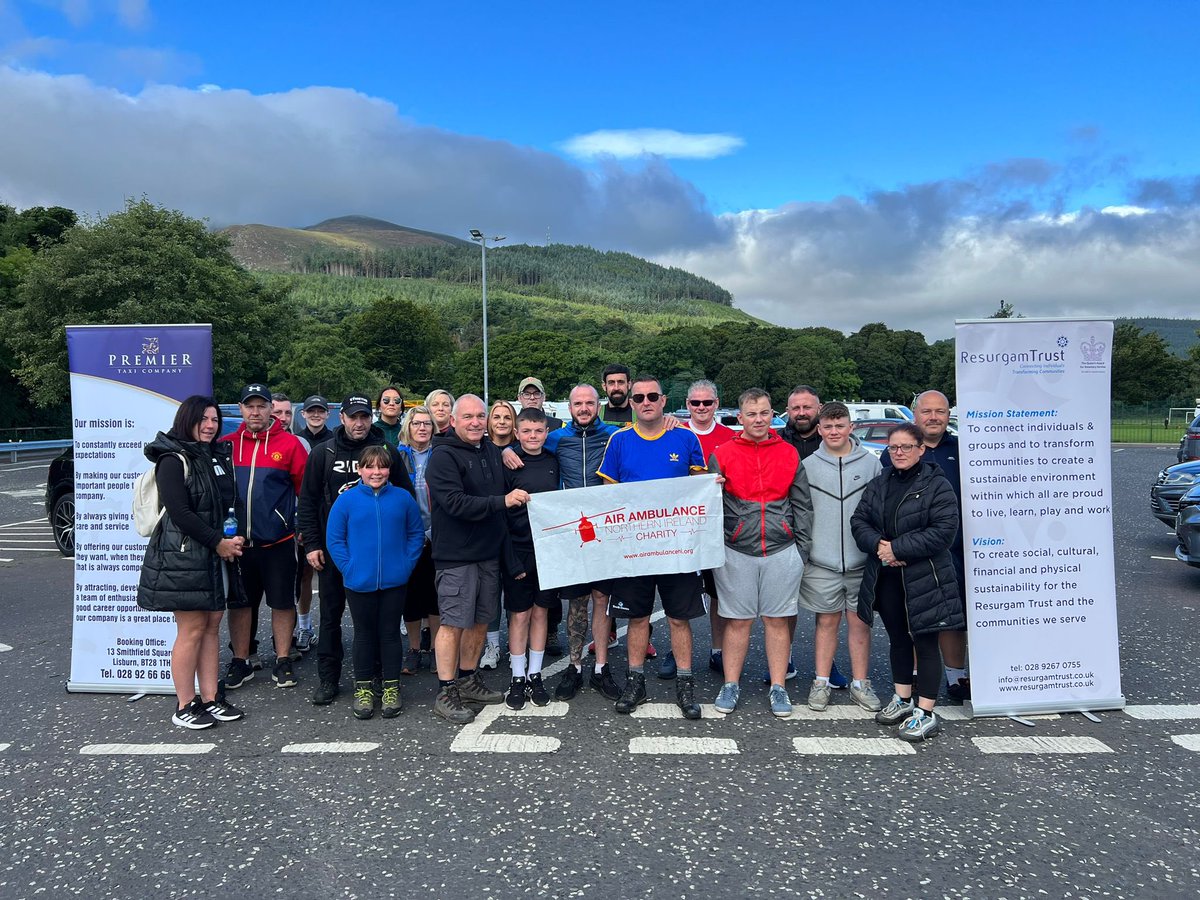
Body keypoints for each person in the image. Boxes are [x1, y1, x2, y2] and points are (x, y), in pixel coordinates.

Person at [597, 375, 708, 718]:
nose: (646, 402)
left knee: (678, 619)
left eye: (652, 396)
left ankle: (685, 687)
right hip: (635, 549)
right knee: (637, 617)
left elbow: (700, 489)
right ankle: (636, 682)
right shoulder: (618, 440)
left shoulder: (685, 437)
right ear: (630, 403)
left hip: (677, 550)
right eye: (639, 397)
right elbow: (607, 497)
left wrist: (712, 484)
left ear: (663, 401)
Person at [298, 393, 416, 705]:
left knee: (378, 622)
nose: (359, 423)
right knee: (331, 617)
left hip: (377, 557)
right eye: (353, 417)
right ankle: (329, 677)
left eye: (364, 416)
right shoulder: (324, 452)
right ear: (343, 418)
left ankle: (379, 676)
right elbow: (307, 502)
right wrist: (311, 543)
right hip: (333, 552)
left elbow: (406, 501)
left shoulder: (386, 450)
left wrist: (403, 557)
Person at [137, 396, 246, 729]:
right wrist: (218, 542)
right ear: (188, 420)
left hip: (215, 553)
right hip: (184, 557)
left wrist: (234, 536)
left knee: (212, 622)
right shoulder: (172, 459)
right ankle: (185, 703)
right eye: (204, 419)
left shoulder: (213, 455)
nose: (211, 425)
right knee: (191, 629)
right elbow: (181, 513)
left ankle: (211, 698)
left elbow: (228, 503)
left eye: (215, 419)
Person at [852, 422, 964, 742]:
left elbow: (944, 530)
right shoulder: (881, 481)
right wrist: (880, 548)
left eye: (906, 447)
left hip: (924, 577)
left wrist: (898, 548)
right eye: (893, 448)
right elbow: (860, 520)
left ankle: (926, 712)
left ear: (921, 449)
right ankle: (902, 699)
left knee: (925, 642)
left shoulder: (937, 485)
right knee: (899, 639)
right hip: (887, 577)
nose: (899, 453)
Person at [708, 388, 811, 718]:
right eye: (751, 414)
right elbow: (711, 506)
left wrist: (802, 551)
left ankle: (778, 686)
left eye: (764, 413)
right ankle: (731, 683)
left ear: (772, 415)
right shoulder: (722, 453)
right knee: (736, 622)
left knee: (777, 621)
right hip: (736, 549)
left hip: (782, 549)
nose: (758, 419)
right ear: (740, 417)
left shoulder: (789, 453)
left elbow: (802, 505)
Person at [427, 393, 528, 724]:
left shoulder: (490, 450)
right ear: (453, 420)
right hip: (456, 556)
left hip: (488, 553)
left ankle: (468, 679)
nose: (474, 422)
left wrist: (509, 452)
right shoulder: (442, 457)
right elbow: (456, 503)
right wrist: (502, 501)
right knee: (454, 622)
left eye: (479, 416)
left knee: (481, 620)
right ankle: (447, 689)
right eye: (467, 416)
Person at [326, 445, 425, 719]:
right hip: (358, 581)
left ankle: (392, 687)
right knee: (364, 634)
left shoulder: (403, 498)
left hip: (395, 580)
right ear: (360, 470)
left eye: (381, 467)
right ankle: (364, 687)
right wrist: (349, 567)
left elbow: (416, 534)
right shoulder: (346, 500)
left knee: (391, 633)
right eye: (370, 467)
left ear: (389, 469)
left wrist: (406, 565)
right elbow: (335, 539)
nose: (376, 472)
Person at [881, 389, 969, 700]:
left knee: (952, 614)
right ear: (915, 415)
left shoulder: (964, 450)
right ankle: (917, 677)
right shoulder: (895, 453)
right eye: (926, 411)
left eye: (940, 411)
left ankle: (957, 676)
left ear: (948, 416)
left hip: (954, 548)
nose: (933, 417)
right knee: (916, 615)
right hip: (910, 551)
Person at [221, 383, 308, 692]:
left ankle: (283, 660)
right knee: (241, 603)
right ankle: (241, 660)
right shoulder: (226, 444)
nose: (255, 411)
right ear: (240, 409)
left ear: (272, 408)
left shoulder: (290, 445)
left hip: (278, 542)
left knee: (283, 602)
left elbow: (304, 491)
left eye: (261, 405)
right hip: (238, 544)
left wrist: (299, 527)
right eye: (249, 406)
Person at [542, 384, 623, 701]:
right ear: (570, 407)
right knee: (576, 603)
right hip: (573, 531)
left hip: (606, 529)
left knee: (602, 599)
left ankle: (601, 668)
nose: (584, 408)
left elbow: (649, 433)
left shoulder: (615, 435)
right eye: (578, 403)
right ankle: (574, 667)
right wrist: (506, 450)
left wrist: (672, 421)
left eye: (590, 402)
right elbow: (526, 446)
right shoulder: (557, 438)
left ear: (598, 404)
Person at [800, 402, 882, 713]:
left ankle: (861, 684)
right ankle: (821, 682)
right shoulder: (809, 465)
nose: (834, 431)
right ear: (819, 429)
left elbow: (878, 512)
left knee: (860, 623)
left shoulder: (871, 464)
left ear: (851, 427)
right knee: (826, 622)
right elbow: (802, 513)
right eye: (828, 426)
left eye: (840, 425)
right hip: (822, 562)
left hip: (861, 562)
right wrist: (807, 552)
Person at [501, 407, 560, 709]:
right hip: (518, 550)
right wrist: (510, 558)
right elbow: (501, 515)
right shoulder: (508, 462)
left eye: (538, 431)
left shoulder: (554, 461)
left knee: (541, 613)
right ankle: (516, 676)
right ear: (517, 433)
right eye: (526, 431)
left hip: (548, 550)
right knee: (519, 614)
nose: (533, 436)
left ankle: (535, 673)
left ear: (546, 433)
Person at [680, 379, 738, 679]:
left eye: (707, 402)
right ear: (687, 405)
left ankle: (718, 650)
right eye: (695, 403)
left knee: (719, 593)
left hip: (719, 526)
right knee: (679, 594)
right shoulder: (674, 432)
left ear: (717, 404)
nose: (701, 408)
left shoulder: (731, 437)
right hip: (683, 528)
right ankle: (676, 652)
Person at [398, 405, 440, 675]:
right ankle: (414, 650)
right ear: (408, 428)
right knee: (411, 596)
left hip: (438, 534)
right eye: (416, 423)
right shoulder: (397, 456)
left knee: (435, 595)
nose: (422, 428)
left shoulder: (441, 455)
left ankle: (437, 649)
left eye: (426, 424)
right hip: (406, 536)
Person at [480, 398, 518, 669]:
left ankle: (516, 642)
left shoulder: (523, 448)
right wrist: (496, 451)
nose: (502, 421)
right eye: (497, 417)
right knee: (490, 592)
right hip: (490, 528)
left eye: (507, 417)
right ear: (489, 422)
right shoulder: (479, 449)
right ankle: (492, 645)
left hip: (518, 531)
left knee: (515, 591)